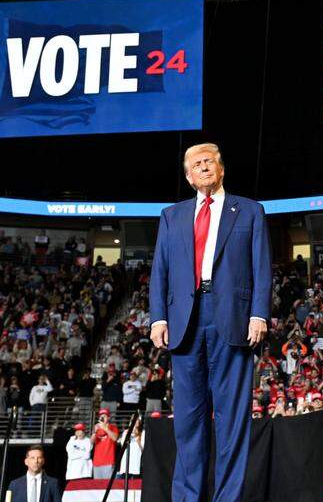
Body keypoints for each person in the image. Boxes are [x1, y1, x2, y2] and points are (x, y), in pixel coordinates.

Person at [149, 143, 271, 502]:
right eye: (196, 164)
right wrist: (158, 318)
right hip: (184, 319)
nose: (203, 167)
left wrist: (259, 313)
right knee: (187, 420)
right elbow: (160, 271)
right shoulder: (171, 215)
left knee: (232, 419)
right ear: (188, 177)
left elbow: (262, 266)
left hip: (232, 316)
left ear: (221, 169)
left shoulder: (249, 210)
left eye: (209, 162)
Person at [91, 409, 119, 479]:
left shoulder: (113, 427)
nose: (102, 417)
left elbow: (115, 438)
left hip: (108, 461)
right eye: (101, 416)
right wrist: (94, 432)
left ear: (108, 418)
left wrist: (105, 428)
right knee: (97, 487)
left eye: (104, 416)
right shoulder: (97, 428)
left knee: (108, 485)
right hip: (97, 462)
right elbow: (91, 442)